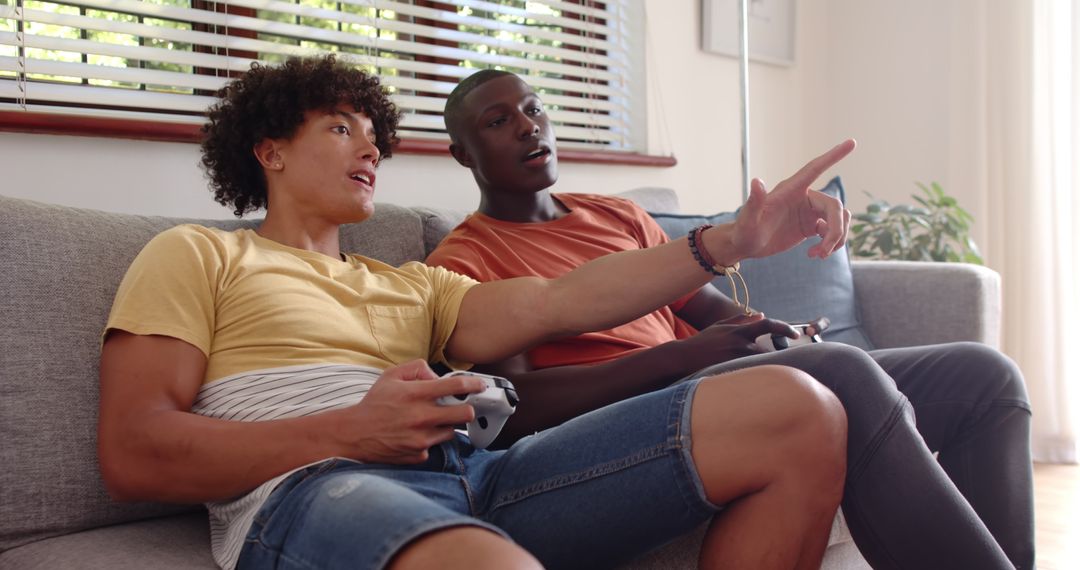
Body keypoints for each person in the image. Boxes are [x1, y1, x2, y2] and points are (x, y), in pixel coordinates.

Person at [96, 55, 864, 570]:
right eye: (340, 129)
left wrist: (731, 238)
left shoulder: (410, 285)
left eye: (375, 139)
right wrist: (351, 430)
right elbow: (133, 452)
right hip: (314, 488)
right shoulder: (199, 255)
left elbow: (562, 299)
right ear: (269, 151)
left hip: (481, 473)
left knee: (798, 408)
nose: (369, 151)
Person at [426, 69, 1034, 570]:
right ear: (462, 152)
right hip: (628, 417)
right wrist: (684, 355)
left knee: (983, 376)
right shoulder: (467, 259)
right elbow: (513, 408)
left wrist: (774, 333)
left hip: (709, 384)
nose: (529, 125)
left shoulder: (619, 216)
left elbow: (709, 311)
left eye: (533, 109)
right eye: (499, 121)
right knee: (842, 374)